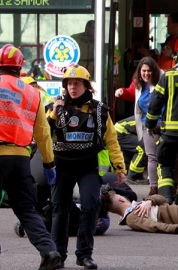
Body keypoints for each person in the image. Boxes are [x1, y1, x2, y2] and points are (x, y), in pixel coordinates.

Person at [0, 44, 60, 270]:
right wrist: (48, 163)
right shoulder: (32, 93)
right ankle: (49, 250)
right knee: (25, 209)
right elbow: (43, 133)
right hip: (20, 159)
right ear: (19, 68)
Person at [47, 65, 126, 269]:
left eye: (77, 83)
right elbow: (43, 135)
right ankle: (58, 255)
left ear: (86, 85)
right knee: (60, 208)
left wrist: (119, 166)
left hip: (87, 165)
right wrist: (53, 115)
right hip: (62, 165)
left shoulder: (100, 110)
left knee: (91, 205)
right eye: (69, 84)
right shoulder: (55, 108)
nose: (72, 87)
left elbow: (111, 140)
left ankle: (84, 254)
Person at [115, 57, 163, 195]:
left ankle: (168, 188)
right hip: (147, 124)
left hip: (164, 123)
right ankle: (153, 189)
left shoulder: (163, 80)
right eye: (144, 71)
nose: (146, 74)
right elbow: (131, 93)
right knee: (152, 157)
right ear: (139, 71)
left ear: (154, 71)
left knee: (164, 157)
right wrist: (122, 92)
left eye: (149, 71)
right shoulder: (138, 82)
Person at [145, 56, 178, 204]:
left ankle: (166, 201)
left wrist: (150, 124)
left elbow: (155, 103)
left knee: (165, 166)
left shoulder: (168, 76)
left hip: (170, 135)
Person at [100, 187, 178, 234]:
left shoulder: (139, 204)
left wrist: (150, 201)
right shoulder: (131, 218)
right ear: (121, 200)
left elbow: (162, 199)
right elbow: (154, 226)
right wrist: (175, 228)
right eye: (120, 195)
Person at [113, 116, 148, 184]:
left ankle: (136, 175)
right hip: (121, 131)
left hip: (121, 130)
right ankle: (133, 176)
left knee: (137, 147)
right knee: (142, 148)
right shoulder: (149, 118)